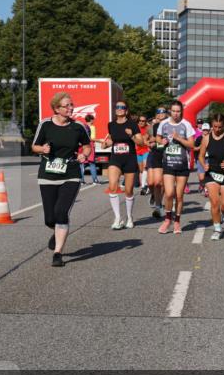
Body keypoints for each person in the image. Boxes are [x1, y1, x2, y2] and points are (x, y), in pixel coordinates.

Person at [32, 93, 91, 267]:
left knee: (61, 212)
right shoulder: (45, 124)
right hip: (48, 174)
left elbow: (87, 146)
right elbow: (34, 146)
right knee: (50, 218)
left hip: (70, 173)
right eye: (66, 106)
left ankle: (58, 253)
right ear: (57, 108)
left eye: (71, 105)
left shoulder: (78, 127)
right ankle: (56, 230)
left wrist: (84, 155)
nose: (71, 108)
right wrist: (42, 148)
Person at [102, 101, 144, 229]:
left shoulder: (132, 124)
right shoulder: (111, 125)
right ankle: (118, 218)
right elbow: (111, 140)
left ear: (126, 110)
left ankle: (129, 217)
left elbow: (141, 142)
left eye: (122, 107)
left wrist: (131, 135)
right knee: (112, 185)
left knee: (129, 190)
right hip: (115, 159)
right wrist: (107, 144)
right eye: (117, 107)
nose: (119, 109)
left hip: (129, 159)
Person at [156, 100, 195, 234]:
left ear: (181, 112)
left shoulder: (186, 125)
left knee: (179, 195)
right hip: (168, 163)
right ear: (170, 111)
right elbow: (158, 138)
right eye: (173, 111)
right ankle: (167, 219)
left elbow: (191, 144)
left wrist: (179, 138)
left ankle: (177, 221)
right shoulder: (163, 124)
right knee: (169, 193)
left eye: (178, 111)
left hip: (182, 164)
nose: (176, 114)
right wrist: (162, 141)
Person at [198, 114, 224, 240]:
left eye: (220, 127)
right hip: (212, 173)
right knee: (214, 202)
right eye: (215, 126)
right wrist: (204, 164)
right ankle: (217, 228)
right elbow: (200, 155)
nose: (217, 129)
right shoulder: (206, 138)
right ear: (211, 125)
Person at [146, 107, 169, 217]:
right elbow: (148, 140)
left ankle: (159, 205)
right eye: (158, 112)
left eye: (163, 112)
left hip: (168, 155)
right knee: (155, 183)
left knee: (162, 183)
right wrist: (152, 142)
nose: (161, 114)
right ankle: (156, 200)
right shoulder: (153, 126)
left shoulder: (171, 125)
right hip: (156, 154)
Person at [80, 114, 100, 184]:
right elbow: (92, 138)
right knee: (92, 163)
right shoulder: (92, 127)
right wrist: (100, 141)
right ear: (91, 120)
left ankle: (81, 180)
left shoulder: (83, 126)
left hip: (82, 146)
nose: (93, 121)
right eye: (93, 119)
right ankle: (95, 180)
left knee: (82, 163)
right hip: (90, 145)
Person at [135, 114, 151, 195]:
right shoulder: (135, 128)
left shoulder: (148, 128)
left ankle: (144, 187)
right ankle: (144, 185)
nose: (141, 122)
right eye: (140, 121)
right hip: (138, 151)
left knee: (145, 167)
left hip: (146, 150)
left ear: (146, 122)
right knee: (141, 170)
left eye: (143, 121)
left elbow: (147, 137)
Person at [193, 120, 210, 195]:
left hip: (208, 158)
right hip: (200, 159)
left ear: (209, 130)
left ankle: (206, 189)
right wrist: (201, 146)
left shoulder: (211, 138)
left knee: (207, 174)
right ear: (202, 130)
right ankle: (202, 185)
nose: (205, 131)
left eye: (207, 130)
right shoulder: (199, 138)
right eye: (204, 130)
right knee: (201, 177)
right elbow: (194, 148)